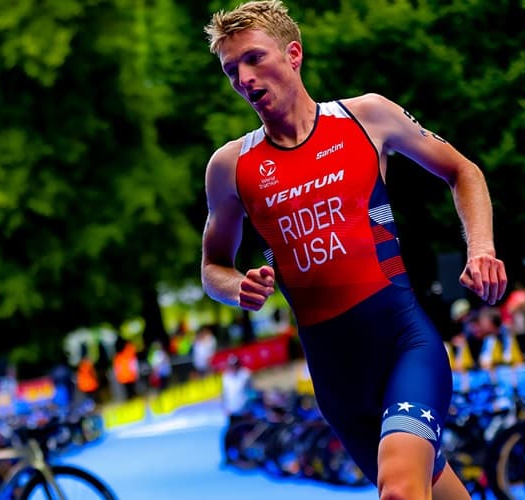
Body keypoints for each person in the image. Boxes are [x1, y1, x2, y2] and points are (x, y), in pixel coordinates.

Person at [200, 2, 508, 499]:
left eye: (255, 59)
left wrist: (481, 249)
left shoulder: (365, 116)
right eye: (231, 70)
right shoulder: (230, 166)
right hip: (335, 377)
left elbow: (462, 171)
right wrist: (238, 287)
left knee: (400, 491)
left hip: (404, 345)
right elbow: (212, 266)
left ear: (293, 54)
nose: (244, 78)